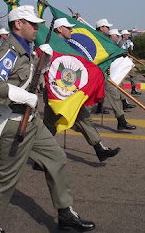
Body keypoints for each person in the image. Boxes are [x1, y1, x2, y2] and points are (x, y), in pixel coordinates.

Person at [0, 6, 95, 233]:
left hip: (31, 120)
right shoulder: (9, 51)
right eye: (32, 24)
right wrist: (24, 96)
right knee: (5, 178)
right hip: (12, 123)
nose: (36, 28)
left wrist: (43, 65)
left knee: (57, 159)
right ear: (18, 24)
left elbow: (27, 81)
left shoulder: (27, 49)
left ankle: (65, 213)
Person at [43, 17, 121, 162]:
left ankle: (100, 149)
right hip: (55, 92)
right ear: (59, 29)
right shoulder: (50, 46)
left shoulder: (69, 46)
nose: (71, 30)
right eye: (68, 27)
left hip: (70, 91)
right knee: (50, 126)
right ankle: (39, 156)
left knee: (82, 118)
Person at [95, 19, 136, 131]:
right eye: (107, 27)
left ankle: (121, 121)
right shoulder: (95, 38)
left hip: (104, 74)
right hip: (94, 73)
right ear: (101, 28)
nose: (108, 29)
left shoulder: (106, 40)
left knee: (114, 95)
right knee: (84, 100)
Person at [120, 29, 141, 96]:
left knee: (133, 75)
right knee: (122, 77)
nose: (128, 36)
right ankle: (122, 91)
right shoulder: (121, 43)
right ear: (123, 35)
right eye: (126, 34)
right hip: (123, 62)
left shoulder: (128, 42)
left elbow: (130, 51)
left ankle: (133, 89)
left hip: (128, 61)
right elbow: (123, 52)